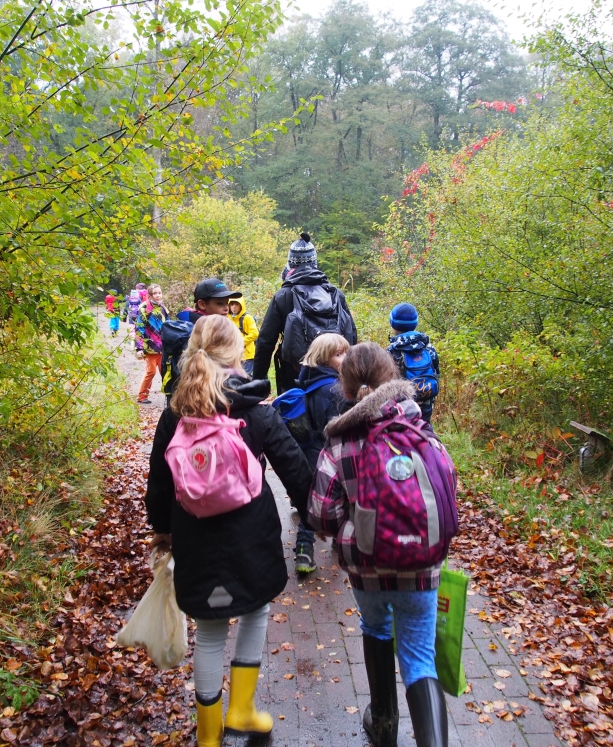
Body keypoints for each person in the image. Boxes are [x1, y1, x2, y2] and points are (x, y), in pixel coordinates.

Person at [146, 315, 313, 747]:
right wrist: (316, 516)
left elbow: (160, 481)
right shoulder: (256, 411)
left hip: (195, 534)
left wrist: (162, 531)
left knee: (209, 630)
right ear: (238, 354)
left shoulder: (175, 413)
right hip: (250, 534)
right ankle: (242, 709)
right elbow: (293, 466)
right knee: (255, 611)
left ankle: (207, 734)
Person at [309, 342, 450, 747]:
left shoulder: (339, 442)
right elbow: (446, 490)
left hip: (366, 562)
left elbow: (321, 514)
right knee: (420, 657)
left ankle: (384, 723)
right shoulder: (421, 429)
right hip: (422, 561)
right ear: (393, 378)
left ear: (346, 387)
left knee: (375, 625)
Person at [252, 233, 358, 394]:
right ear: (315, 262)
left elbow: (265, 342)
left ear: (290, 264)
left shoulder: (283, 296)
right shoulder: (335, 293)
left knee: (295, 415)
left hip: (295, 375)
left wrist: (258, 382)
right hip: (335, 372)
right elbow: (352, 335)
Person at [288, 333, 349, 575]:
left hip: (309, 451)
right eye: (338, 354)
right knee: (341, 496)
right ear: (324, 360)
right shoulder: (334, 389)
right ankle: (336, 542)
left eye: (346, 352)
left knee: (312, 501)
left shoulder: (308, 380)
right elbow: (337, 425)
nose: (345, 358)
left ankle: (304, 550)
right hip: (329, 453)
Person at [161, 278, 241, 402]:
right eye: (220, 304)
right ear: (202, 304)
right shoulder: (194, 333)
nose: (226, 309)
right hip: (190, 399)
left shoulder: (215, 329)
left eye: (227, 303)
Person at [386, 303, 441, 426]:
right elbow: (436, 371)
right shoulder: (428, 347)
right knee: (425, 427)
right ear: (415, 323)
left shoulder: (392, 350)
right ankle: (428, 443)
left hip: (403, 404)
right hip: (426, 399)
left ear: (392, 324)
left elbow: (387, 381)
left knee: (405, 432)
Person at [136, 285, 169, 405]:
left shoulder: (162, 308)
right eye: (155, 293)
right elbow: (139, 327)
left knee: (165, 372)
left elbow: (168, 325)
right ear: (149, 295)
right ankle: (142, 396)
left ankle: (170, 396)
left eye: (159, 293)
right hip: (149, 346)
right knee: (151, 372)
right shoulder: (144, 308)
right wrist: (139, 347)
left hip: (163, 347)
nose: (158, 295)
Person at [228, 297, 259, 376]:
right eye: (232, 304)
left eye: (236, 304)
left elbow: (254, 333)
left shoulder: (247, 318)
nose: (234, 307)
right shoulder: (228, 318)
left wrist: (240, 342)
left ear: (241, 305)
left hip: (247, 355)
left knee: (244, 377)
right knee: (234, 377)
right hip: (233, 355)